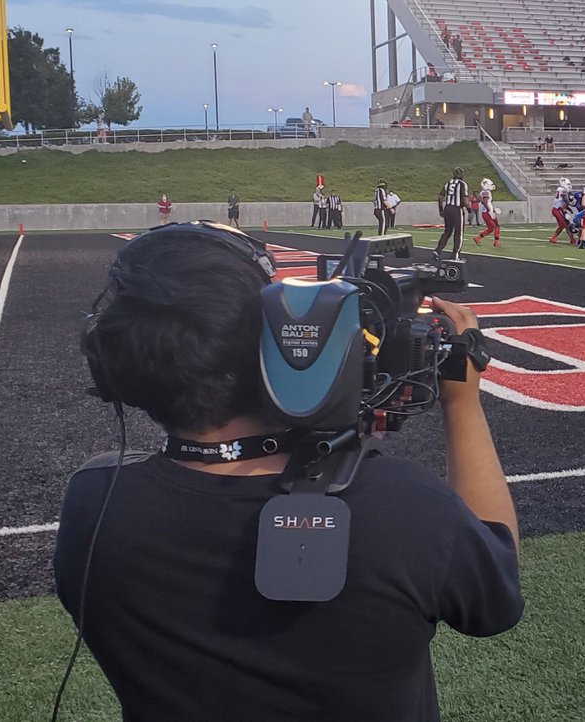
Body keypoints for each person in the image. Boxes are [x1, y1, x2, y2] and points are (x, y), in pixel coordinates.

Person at [58, 221, 522, 721]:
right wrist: (462, 398)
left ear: (113, 365)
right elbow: (495, 599)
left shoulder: (94, 504)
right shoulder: (402, 506)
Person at [434, 167, 469, 260]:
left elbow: (440, 197)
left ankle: (437, 250)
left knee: (447, 232)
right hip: (457, 210)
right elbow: (465, 200)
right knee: (458, 233)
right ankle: (455, 255)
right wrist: (469, 210)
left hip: (448, 208)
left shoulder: (447, 184)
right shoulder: (462, 184)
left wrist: (441, 210)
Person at [472, 178, 501, 248]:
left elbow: (481, 200)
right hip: (487, 212)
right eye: (490, 184)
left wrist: (493, 209)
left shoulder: (483, 192)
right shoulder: (486, 192)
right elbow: (485, 202)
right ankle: (495, 243)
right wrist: (489, 210)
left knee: (495, 226)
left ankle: (495, 242)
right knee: (494, 227)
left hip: (487, 211)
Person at [549, 178, 576, 244]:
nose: (569, 186)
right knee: (563, 225)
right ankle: (553, 237)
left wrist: (569, 209)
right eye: (568, 184)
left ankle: (572, 239)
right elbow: (565, 201)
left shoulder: (560, 189)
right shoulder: (563, 190)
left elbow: (564, 203)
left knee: (567, 224)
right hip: (557, 209)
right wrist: (569, 207)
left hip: (559, 209)